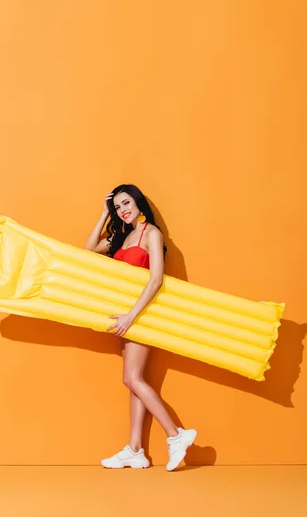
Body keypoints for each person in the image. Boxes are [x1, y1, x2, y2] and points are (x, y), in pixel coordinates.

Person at [85, 184, 197, 471]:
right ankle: (135, 450)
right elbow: (88, 249)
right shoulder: (120, 238)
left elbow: (156, 279)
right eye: (117, 207)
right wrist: (103, 212)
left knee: (132, 379)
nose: (123, 210)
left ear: (138, 202)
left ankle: (176, 435)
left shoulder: (152, 234)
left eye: (126, 203)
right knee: (133, 380)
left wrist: (131, 316)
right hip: (125, 316)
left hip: (141, 315)